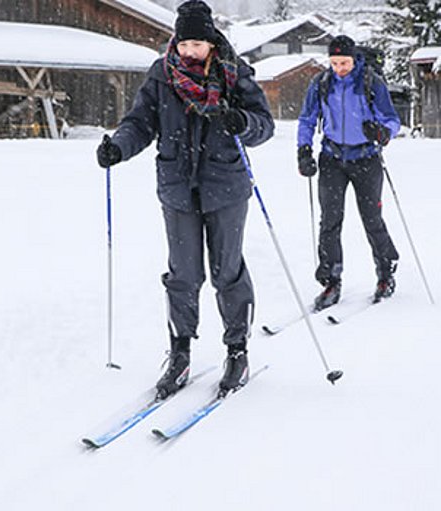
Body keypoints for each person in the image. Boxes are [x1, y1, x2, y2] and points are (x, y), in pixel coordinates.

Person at [96, 0, 274, 397]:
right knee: (183, 275)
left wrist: (242, 122)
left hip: (226, 185)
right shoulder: (162, 75)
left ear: (211, 42)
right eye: (184, 44)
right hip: (178, 187)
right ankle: (180, 354)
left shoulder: (235, 74)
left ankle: (237, 350)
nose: (189, 52)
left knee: (227, 272)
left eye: (197, 44)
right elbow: (140, 122)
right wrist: (119, 148)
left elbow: (264, 126)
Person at [296, 35, 400, 310]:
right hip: (332, 158)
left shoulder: (370, 82)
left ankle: (385, 272)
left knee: (372, 218)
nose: (339, 68)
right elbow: (307, 119)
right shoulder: (321, 83)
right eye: (334, 62)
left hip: (366, 158)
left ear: (354, 59)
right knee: (329, 221)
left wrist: (381, 132)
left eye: (344, 62)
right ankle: (331, 281)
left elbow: (392, 120)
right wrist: (303, 149)